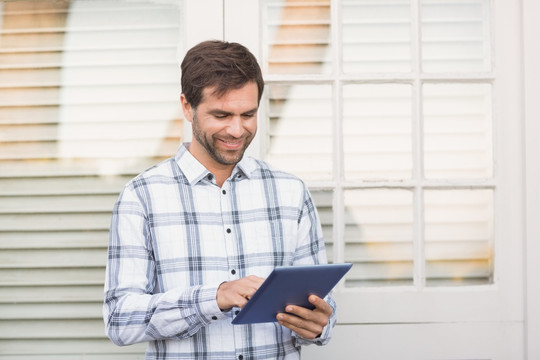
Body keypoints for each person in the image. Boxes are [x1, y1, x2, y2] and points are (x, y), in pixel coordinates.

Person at [103, 40, 336, 360]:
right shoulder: (141, 197)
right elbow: (120, 321)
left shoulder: (290, 192)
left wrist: (320, 323)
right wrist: (214, 297)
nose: (237, 129)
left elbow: (323, 306)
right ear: (187, 107)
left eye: (248, 114)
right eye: (222, 114)